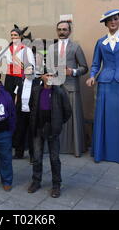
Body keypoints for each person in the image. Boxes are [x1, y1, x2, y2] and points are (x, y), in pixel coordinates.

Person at [86, 9, 119, 166]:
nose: (113, 22)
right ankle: (102, 152)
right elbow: (96, 63)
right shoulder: (100, 42)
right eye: (110, 20)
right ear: (105, 23)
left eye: (116, 19)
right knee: (105, 117)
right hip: (105, 83)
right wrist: (91, 76)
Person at [27, 71, 72, 198]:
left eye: (52, 76)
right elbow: (32, 106)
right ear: (42, 76)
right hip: (38, 128)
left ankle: (56, 185)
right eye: (48, 75)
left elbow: (67, 111)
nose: (50, 78)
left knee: (54, 158)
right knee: (36, 157)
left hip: (53, 130)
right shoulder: (36, 90)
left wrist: (58, 123)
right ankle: (36, 181)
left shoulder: (60, 91)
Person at [47, 21, 88, 157]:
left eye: (64, 29)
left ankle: (74, 147)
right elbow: (48, 67)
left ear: (69, 31)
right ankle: (55, 147)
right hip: (55, 87)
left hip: (71, 86)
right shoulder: (51, 48)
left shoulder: (76, 47)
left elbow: (84, 67)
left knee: (72, 117)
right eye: (59, 29)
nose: (62, 32)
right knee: (55, 117)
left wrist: (73, 71)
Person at [0, 25, 35, 100]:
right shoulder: (7, 49)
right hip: (9, 76)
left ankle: (18, 111)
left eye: (15, 35)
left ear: (20, 36)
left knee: (20, 96)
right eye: (12, 35)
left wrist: (30, 70)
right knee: (8, 96)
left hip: (20, 76)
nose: (13, 37)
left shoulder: (26, 49)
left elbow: (31, 62)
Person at [12, 64, 40, 161]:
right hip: (21, 111)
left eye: (32, 69)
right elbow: (16, 96)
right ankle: (19, 153)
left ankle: (33, 155)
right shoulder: (20, 82)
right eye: (28, 69)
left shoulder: (37, 82)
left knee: (32, 134)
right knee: (20, 132)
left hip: (32, 112)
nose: (30, 71)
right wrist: (15, 108)